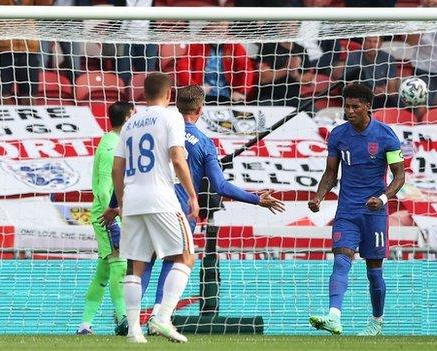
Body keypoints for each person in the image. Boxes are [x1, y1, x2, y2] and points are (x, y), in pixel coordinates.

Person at [102, 85, 285, 332]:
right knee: (175, 260)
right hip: (176, 210)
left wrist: (114, 205)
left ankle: (128, 321)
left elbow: (125, 172)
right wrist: (255, 199)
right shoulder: (204, 143)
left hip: (143, 204)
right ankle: (159, 317)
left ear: (176, 106)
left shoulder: (158, 132)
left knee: (142, 263)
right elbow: (220, 185)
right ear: (200, 109)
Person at [307, 83, 405, 336]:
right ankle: (334, 317)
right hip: (347, 211)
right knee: (341, 261)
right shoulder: (338, 135)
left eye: (355, 107)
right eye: (346, 106)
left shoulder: (386, 136)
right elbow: (330, 173)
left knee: (374, 273)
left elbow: (399, 177)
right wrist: (318, 197)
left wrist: (382, 199)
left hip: (374, 214)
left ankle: (376, 322)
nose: (349, 111)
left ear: (368, 106)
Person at [112, 72, 199, 343]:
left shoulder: (130, 122)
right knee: (185, 256)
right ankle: (162, 318)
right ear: (169, 93)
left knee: (134, 267)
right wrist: (192, 194)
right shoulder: (171, 116)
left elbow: (117, 168)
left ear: (143, 94)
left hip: (133, 198)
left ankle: (134, 331)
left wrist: (122, 199)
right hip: (161, 196)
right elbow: (176, 156)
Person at [77, 102, 134, 336]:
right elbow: (103, 188)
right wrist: (116, 212)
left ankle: (84, 325)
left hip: (112, 214)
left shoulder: (115, 143)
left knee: (104, 271)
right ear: (128, 118)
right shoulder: (110, 146)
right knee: (120, 267)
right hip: (108, 217)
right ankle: (123, 319)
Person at [175, 22, 255, 104]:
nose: (220, 28)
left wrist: (241, 91)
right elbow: (182, 66)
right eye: (216, 24)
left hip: (228, 97)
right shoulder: (197, 44)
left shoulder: (234, 45)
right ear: (207, 27)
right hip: (202, 95)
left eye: (223, 25)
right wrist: (195, 87)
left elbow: (246, 68)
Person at [344, 36, 400, 109]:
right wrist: (370, 91)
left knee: (396, 102)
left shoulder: (389, 59)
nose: (372, 45)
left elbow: (392, 90)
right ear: (363, 42)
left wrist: (383, 91)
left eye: (375, 42)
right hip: (360, 97)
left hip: (381, 99)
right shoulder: (353, 57)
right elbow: (348, 86)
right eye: (369, 41)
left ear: (380, 44)